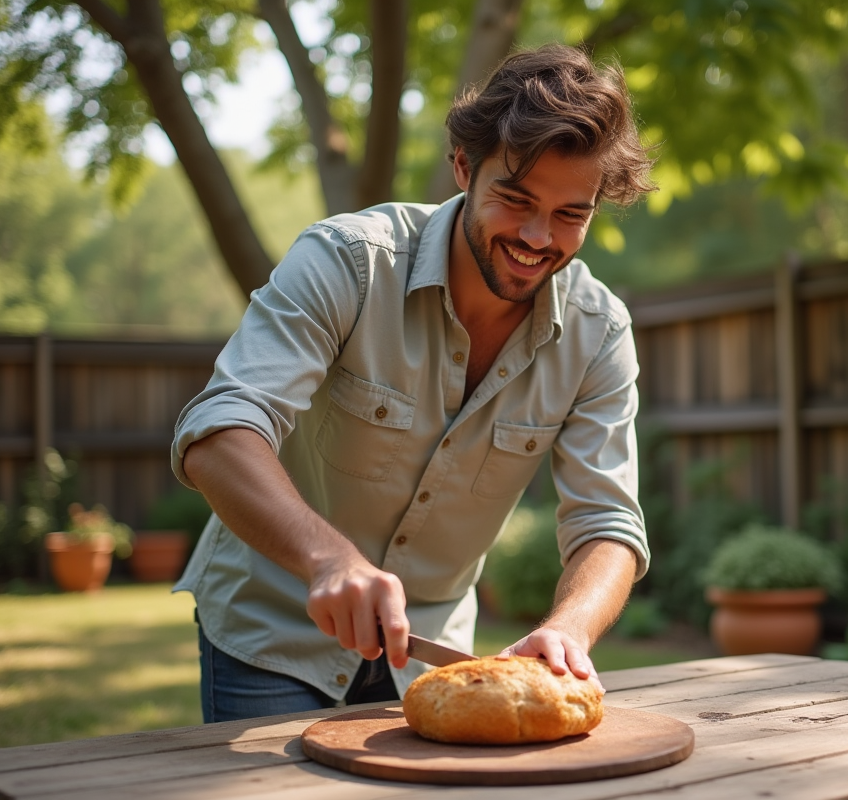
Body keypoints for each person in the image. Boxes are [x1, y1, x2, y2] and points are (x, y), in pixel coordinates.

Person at [171, 43, 657, 722]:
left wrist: (570, 628)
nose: (538, 236)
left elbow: (607, 523)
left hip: (428, 658)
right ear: (464, 167)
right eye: (515, 199)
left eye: (570, 215)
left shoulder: (599, 333)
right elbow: (218, 432)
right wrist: (328, 561)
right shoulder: (346, 262)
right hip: (271, 636)